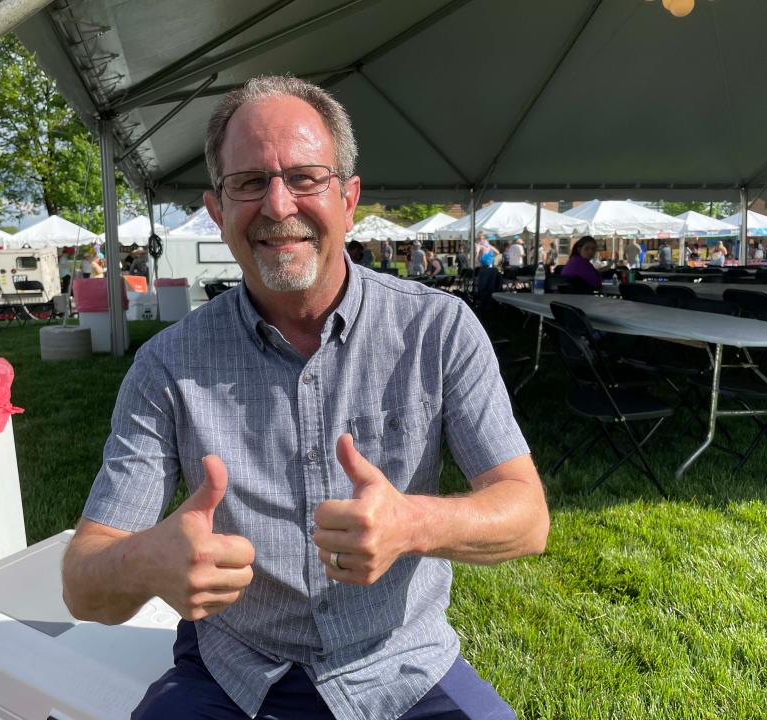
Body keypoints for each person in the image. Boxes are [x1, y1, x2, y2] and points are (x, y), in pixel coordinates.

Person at [62, 76, 547, 720]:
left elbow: (527, 517)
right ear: (216, 209)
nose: (278, 204)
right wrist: (147, 561)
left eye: (306, 178)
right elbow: (82, 581)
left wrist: (414, 525)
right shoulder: (167, 366)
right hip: (232, 675)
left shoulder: (437, 330)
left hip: (403, 668)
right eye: (250, 182)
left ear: (348, 200)